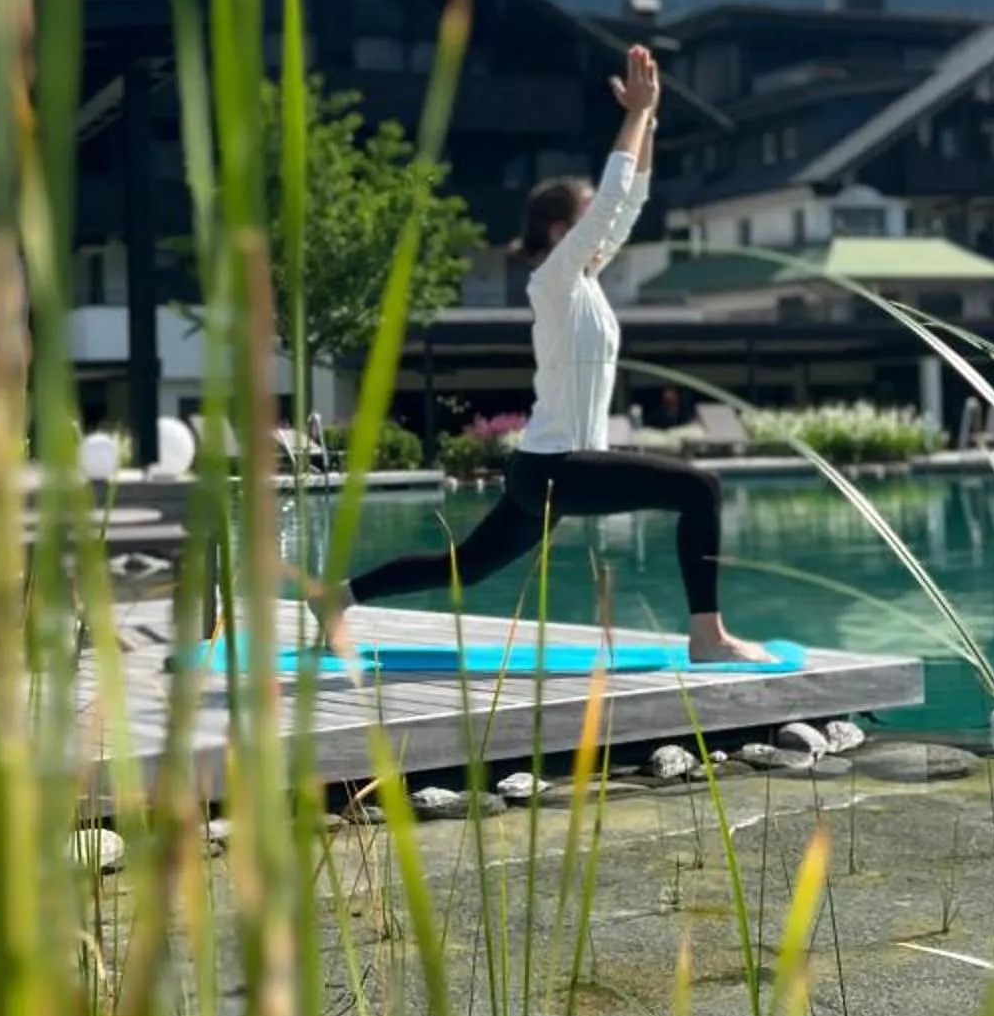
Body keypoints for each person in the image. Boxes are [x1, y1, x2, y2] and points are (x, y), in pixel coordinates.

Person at [323, 44, 772, 663]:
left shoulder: (582, 279)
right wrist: (634, 115)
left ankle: (338, 597)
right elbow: (612, 203)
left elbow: (628, 203)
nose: (602, 229)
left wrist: (649, 120)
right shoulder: (554, 280)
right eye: (587, 219)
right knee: (701, 490)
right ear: (562, 231)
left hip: (546, 468)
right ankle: (707, 635)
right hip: (562, 467)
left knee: (467, 568)